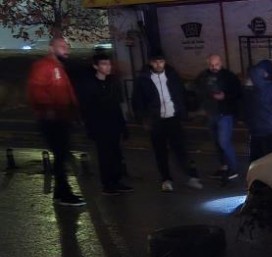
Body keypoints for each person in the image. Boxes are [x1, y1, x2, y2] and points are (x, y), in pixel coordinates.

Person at [132, 52, 203, 192]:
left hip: (173, 118)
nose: (158, 65)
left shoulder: (172, 76)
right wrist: (144, 119)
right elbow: (138, 101)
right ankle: (166, 179)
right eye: (155, 62)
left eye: (161, 61)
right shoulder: (143, 79)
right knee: (160, 151)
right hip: (156, 120)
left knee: (181, 149)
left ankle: (191, 176)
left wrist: (184, 111)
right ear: (150, 63)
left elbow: (180, 94)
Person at [27, 37, 85, 206]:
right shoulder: (44, 66)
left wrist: (74, 111)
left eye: (67, 47)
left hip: (61, 118)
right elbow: (37, 89)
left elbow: (67, 92)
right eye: (62, 47)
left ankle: (61, 193)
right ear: (51, 48)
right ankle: (64, 194)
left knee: (62, 155)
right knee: (61, 155)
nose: (66, 50)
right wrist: (49, 110)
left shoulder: (58, 67)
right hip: (52, 120)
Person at [76, 53, 131, 196]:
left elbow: (117, 106)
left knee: (116, 154)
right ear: (96, 66)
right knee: (105, 156)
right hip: (100, 126)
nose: (108, 67)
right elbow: (87, 109)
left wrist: (123, 127)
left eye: (108, 64)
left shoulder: (112, 83)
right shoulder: (90, 85)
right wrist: (90, 128)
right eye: (104, 64)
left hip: (114, 124)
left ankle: (117, 181)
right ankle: (107, 184)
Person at [195, 54, 242, 181]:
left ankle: (233, 168)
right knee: (217, 143)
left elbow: (237, 93)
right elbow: (198, 91)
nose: (214, 67)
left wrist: (225, 96)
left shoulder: (229, 76)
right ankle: (224, 166)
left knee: (224, 142)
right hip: (211, 114)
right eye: (211, 65)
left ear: (221, 63)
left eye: (216, 65)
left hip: (224, 114)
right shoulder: (203, 76)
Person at [246, 60, 272, 163]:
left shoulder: (271, 89)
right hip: (264, 131)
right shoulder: (254, 91)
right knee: (265, 160)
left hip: (268, 132)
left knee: (265, 160)